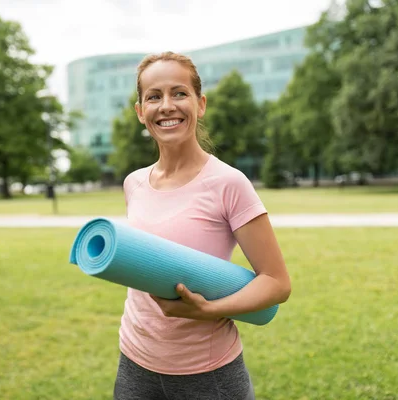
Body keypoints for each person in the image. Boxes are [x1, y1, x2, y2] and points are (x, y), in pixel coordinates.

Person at [112, 51, 292, 400]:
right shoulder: (133, 183)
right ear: (140, 112)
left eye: (179, 93)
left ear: (201, 104)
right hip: (134, 362)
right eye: (154, 96)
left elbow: (277, 283)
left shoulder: (229, 183)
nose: (167, 106)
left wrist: (209, 310)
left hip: (207, 374)